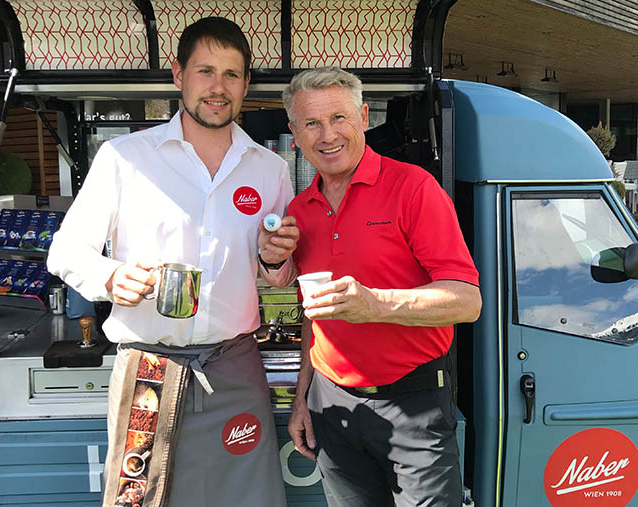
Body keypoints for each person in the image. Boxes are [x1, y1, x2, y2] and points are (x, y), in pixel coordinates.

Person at [47, 17, 298, 507]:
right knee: (139, 498)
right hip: (149, 369)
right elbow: (66, 250)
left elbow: (278, 273)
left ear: (246, 83)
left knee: (248, 498)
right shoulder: (125, 158)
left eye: (231, 74)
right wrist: (111, 275)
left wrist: (274, 261)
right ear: (178, 75)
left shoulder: (269, 169)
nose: (218, 88)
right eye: (205, 71)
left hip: (234, 368)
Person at [283, 67, 482, 507]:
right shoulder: (301, 209)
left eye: (338, 118)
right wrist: (302, 400)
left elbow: (467, 301)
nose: (327, 135)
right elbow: (311, 320)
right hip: (332, 407)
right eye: (312, 123)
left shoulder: (413, 188)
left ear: (363, 116)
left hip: (413, 405)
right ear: (295, 134)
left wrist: (376, 304)